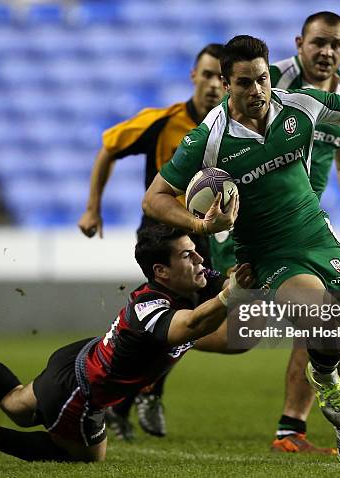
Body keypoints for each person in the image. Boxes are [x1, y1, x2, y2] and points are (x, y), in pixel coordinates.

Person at [143, 35, 340, 463]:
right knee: (322, 321)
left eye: (261, 80)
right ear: (226, 82)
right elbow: (155, 198)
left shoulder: (299, 105)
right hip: (269, 254)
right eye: (244, 83)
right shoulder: (209, 140)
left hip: (316, 236)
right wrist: (201, 223)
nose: (256, 92)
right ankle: (320, 375)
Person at [0, 225, 253, 463]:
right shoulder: (150, 306)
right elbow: (192, 325)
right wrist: (230, 297)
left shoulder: (192, 279)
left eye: (195, 251)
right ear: (161, 271)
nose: (200, 259)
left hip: (78, 358)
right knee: (86, 456)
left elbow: (224, 288)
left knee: (18, 406)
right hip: (83, 390)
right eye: (188, 254)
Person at [77, 43, 225, 439]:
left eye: (221, 77)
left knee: (191, 321)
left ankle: (129, 398)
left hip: (204, 237)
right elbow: (109, 147)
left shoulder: (235, 131)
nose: (213, 84)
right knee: (174, 320)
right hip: (162, 237)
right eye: (207, 74)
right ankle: (130, 394)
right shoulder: (163, 122)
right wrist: (93, 208)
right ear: (193, 76)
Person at [266, 11, 340, 455]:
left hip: (305, 226)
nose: (327, 52)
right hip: (250, 222)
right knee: (215, 333)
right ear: (299, 43)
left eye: (337, 45)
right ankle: (143, 356)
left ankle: (292, 429)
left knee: (331, 326)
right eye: (319, 42)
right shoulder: (267, 82)